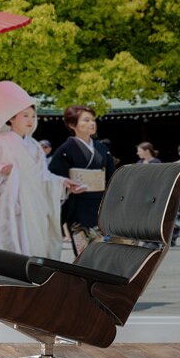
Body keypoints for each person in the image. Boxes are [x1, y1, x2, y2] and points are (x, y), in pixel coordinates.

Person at [0, 81, 82, 260]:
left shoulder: (35, 146)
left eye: (33, 116)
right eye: (25, 115)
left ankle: (32, 285)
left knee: (35, 250)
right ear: (12, 118)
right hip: (10, 207)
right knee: (12, 252)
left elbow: (43, 176)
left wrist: (62, 182)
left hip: (34, 207)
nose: (30, 120)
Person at [48, 106, 116, 255]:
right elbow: (53, 177)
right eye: (86, 120)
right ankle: (85, 277)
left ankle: (101, 277)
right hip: (77, 205)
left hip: (100, 204)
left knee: (102, 249)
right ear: (72, 125)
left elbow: (111, 175)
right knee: (84, 251)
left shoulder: (102, 148)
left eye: (93, 120)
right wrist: (66, 185)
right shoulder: (65, 149)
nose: (92, 123)